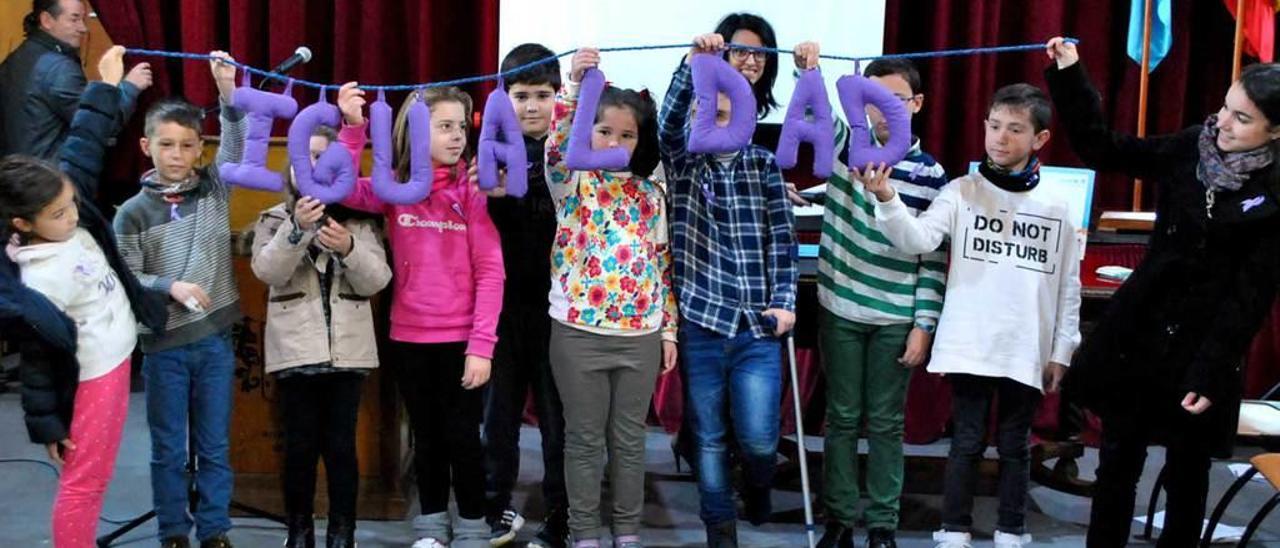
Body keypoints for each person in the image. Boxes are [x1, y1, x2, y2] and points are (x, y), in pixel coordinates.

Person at [1045, 36, 1280, 547]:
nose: (1223, 123)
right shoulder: (1190, 146)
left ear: (1275, 131)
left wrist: (1210, 371)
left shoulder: (1274, 196)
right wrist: (1070, 73)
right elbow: (1102, 146)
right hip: (1139, 337)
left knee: (1187, 478)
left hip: (1204, 351)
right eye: (1225, 107)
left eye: (1242, 119)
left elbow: (1250, 299)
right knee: (1116, 468)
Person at [859, 82, 1081, 548]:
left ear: (1039, 139)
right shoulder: (961, 191)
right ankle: (954, 527)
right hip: (970, 342)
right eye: (994, 126)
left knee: (1016, 445)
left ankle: (1012, 529)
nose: (1000, 138)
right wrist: (886, 199)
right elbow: (918, 240)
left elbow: (1068, 285)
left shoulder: (1057, 205)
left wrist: (1062, 349)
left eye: (1015, 130)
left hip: (1025, 343)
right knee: (966, 442)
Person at [1, 45, 167, 548]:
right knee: (84, 483)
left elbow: (84, 143)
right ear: (22, 224)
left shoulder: (66, 210)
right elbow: (36, 359)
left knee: (97, 474)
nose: (72, 217)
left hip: (117, 364)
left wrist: (107, 86)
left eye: (71, 204)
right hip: (93, 381)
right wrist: (49, 422)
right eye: (58, 214)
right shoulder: (35, 281)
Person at [337, 83, 503, 548]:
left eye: (459, 127)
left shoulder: (472, 190)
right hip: (409, 339)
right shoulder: (396, 188)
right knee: (427, 439)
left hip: (462, 343)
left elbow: (491, 272)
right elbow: (344, 189)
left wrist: (481, 347)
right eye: (443, 127)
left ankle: (472, 526)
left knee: (464, 439)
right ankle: (432, 526)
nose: (456, 137)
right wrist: (354, 130)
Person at [658, 31, 798, 548]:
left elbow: (782, 243)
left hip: (757, 326)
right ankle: (720, 526)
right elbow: (669, 124)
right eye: (706, 91)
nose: (715, 100)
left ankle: (757, 484)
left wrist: (783, 304)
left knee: (761, 439)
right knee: (710, 436)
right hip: (701, 321)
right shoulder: (685, 160)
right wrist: (690, 62)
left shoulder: (762, 165)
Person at [807, 56, 948, 548]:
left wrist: (923, 323)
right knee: (842, 416)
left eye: (894, 101)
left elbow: (932, 257)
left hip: (895, 314)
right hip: (841, 306)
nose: (881, 112)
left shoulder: (932, 174)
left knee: (886, 422)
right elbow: (815, 112)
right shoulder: (847, 146)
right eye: (872, 101)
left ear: (917, 104)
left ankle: (883, 523)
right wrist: (811, 68)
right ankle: (840, 519)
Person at [543, 47, 679, 548]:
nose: (614, 141)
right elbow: (557, 147)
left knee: (629, 442)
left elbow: (661, 264)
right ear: (587, 131)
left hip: (639, 335)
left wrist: (667, 329)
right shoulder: (573, 181)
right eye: (603, 131)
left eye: (626, 134)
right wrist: (576, 87)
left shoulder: (651, 192)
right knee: (582, 440)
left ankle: (626, 532)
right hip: (578, 332)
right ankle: (583, 535)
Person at [112, 52, 245, 548]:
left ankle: (214, 528)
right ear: (147, 146)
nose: (176, 154)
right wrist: (169, 285)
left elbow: (236, 144)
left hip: (213, 342)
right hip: (164, 346)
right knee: (168, 448)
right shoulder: (130, 213)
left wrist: (228, 93)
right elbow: (126, 275)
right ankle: (173, 531)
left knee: (213, 444)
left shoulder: (215, 188)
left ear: (199, 149)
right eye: (166, 144)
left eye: (187, 145)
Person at [248, 124, 391, 548]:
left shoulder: (363, 222)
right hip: (295, 353)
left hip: (348, 355)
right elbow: (267, 272)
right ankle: (299, 530)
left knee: (342, 447)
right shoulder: (273, 219)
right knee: (300, 447)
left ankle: (342, 532)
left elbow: (377, 280)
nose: (313, 167)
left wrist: (348, 247)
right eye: (305, 157)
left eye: (324, 158)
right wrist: (297, 229)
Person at [482, 42, 570, 548]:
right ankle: (495, 507)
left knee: (560, 420)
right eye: (520, 95)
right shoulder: (489, 155)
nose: (532, 106)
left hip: (560, 308)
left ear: (559, 95)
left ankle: (560, 513)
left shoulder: (570, 152)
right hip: (503, 307)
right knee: (499, 417)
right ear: (503, 98)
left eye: (542, 94)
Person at [0, 0, 153, 158]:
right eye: (74, 19)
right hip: (49, 176)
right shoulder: (59, 69)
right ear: (46, 20)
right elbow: (99, 125)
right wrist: (129, 87)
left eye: (83, 19)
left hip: (16, 173)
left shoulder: (15, 58)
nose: (83, 28)